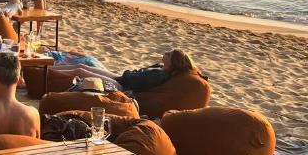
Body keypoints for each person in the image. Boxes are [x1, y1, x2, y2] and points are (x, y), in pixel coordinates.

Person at [50, 49, 199, 94]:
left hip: (121, 86)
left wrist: (128, 73)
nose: (165, 55)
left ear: (172, 62)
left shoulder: (160, 75)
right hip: (121, 79)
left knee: (80, 70)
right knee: (83, 67)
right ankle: (49, 69)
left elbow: (137, 81)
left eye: (168, 55)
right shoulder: (161, 69)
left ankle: (48, 72)